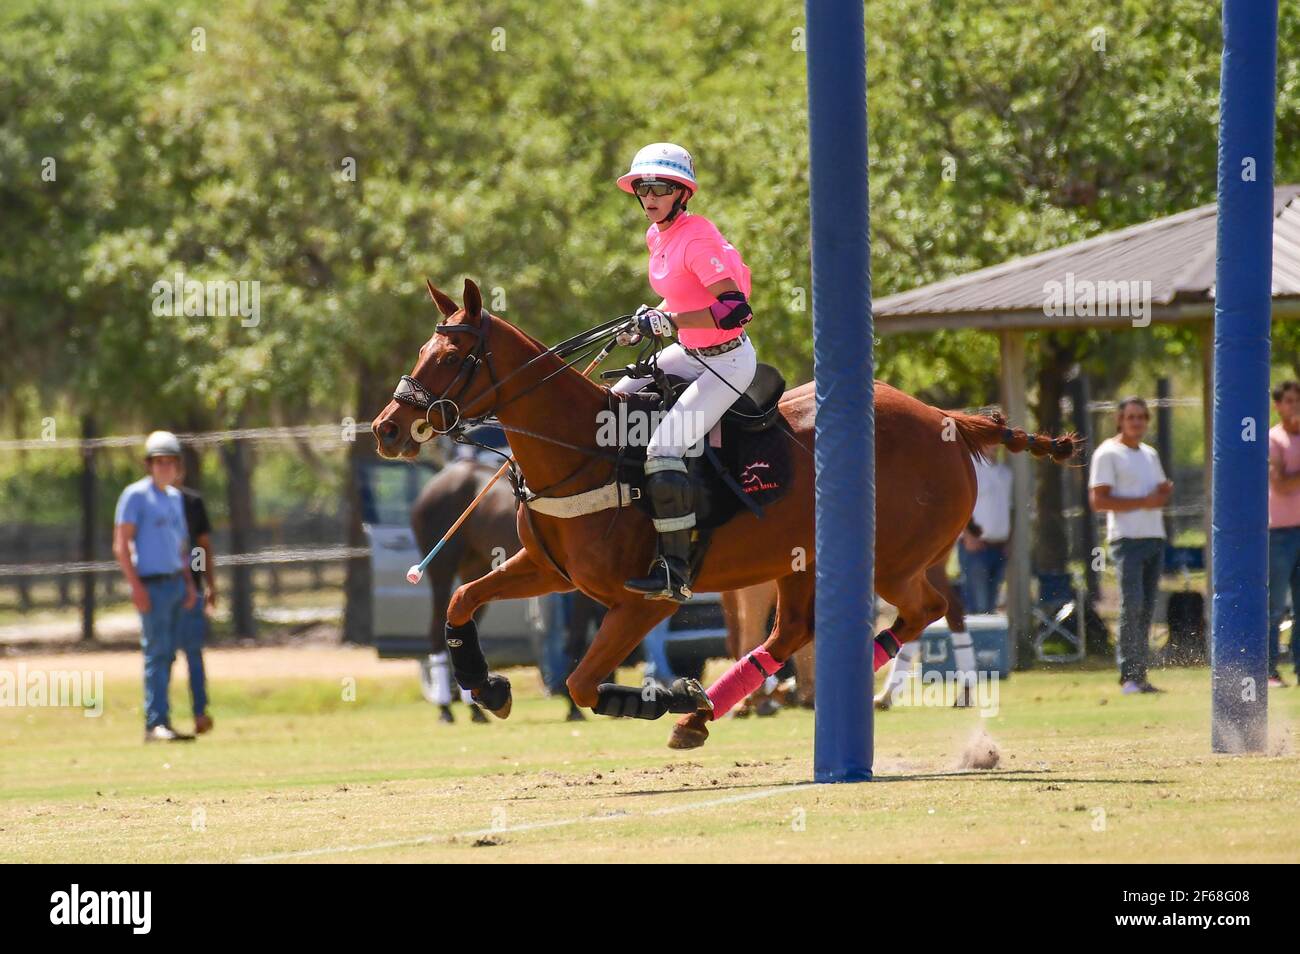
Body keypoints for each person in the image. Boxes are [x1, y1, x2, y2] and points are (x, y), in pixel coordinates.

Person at [609, 142, 758, 602]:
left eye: (661, 188)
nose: (650, 196)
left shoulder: (697, 237)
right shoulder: (657, 235)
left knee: (663, 445)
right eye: (643, 188)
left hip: (728, 361)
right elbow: (683, 294)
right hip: (690, 352)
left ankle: (675, 571)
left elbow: (734, 310)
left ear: (681, 193)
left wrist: (669, 322)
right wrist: (650, 317)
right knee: (615, 406)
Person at [112, 431, 198, 741]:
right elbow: (121, 545)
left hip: (175, 584)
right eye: (158, 462)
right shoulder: (135, 496)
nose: (164, 468)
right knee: (155, 654)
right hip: (151, 586)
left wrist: (189, 584)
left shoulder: (175, 499)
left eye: (170, 462)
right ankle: (154, 723)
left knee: (169, 654)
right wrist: (135, 586)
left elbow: (181, 548)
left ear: (177, 466)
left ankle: (164, 719)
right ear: (149, 465)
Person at [1088, 397, 1171, 694]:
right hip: (1126, 539)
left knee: (1147, 608)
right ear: (1120, 420)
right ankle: (1128, 675)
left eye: (1141, 417)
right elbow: (1099, 500)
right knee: (1131, 606)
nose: (1136, 422)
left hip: (1153, 537)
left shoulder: (1150, 454)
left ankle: (1141, 673)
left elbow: (1160, 492)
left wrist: (1161, 495)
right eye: (1131, 417)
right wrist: (1144, 502)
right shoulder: (1107, 453)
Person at [173, 460, 216, 733]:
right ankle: (159, 719)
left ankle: (200, 711)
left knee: (193, 654)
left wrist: (205, 582)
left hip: (192, 590)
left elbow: (202, 547)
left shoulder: (192, 502)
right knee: (161, 657)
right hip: (161, 587)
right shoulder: (147, 502)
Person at [1267, 380, 1300, 688]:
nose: (1294, 406)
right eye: (1288, 401)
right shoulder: (1273, 439)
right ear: (1278, 405)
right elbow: (1280, 485)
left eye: (1298, 400)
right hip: (1279, 532)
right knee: (1275, 605)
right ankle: (1268, 670)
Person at [958, 447, 1013, 613]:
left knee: (990, 606)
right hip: (976, 548)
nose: (994, 445)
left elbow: (1010, 509)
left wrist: (1009, 541)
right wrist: (968, 535)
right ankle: (973, 640)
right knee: (977, 606)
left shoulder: (1005, 473)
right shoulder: (971, 467)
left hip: (998, 547)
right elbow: (961, 504)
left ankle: (986, 640)